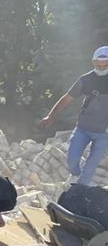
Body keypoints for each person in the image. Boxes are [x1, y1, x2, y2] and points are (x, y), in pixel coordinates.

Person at [40, 45, 108, 186]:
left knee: (90, 168)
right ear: (93, 62)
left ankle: (79, 191)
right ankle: (76, 174)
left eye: (105, 66)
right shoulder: (86, 80)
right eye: (98, 65)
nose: (101, 69)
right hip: (83, 129)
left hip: (104, 133)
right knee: (72, 160)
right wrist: (50, 116)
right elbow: (66, 99)